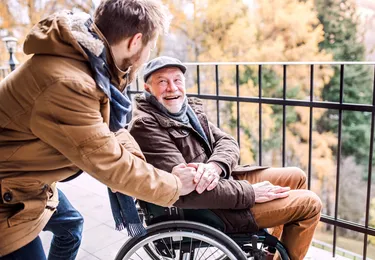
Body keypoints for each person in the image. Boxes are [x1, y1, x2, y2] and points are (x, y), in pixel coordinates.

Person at [0, 2, 198, 259]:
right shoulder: (68, 84)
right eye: (150, 46)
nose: (148, 54)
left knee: (70, 226)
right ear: (135, 41)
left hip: (28, 181)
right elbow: (109, 163)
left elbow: (112, 131)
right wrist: (173, 185)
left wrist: (144, 166)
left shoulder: (94, 64)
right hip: (9, 197)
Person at [128, 56, 323, 260]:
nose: (172, 88)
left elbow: (227, 142)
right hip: (211, 208)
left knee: (296, 176)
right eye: (162, 81)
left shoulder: (187, 111)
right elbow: (185, 192)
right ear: (148, 88)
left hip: (222, 184)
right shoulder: (146, 125)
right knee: (310, 204)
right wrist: (250, 192)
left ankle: (271, 256)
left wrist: (214, 166)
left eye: (177, 80)